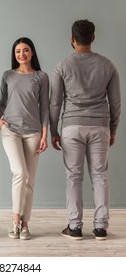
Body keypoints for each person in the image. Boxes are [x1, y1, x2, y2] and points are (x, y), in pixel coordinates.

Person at [49, 19, 121, 240]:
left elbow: (55, 102)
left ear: (72, 39)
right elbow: (116, 102)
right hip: (100, 126)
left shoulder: (62, 66)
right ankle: (100, 228)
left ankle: (75, 227)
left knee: (74, 176)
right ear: (93, 38)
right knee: (100, 175)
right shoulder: (108, 65)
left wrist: (53, 130)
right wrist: (113, 128)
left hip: (72, 126)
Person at [0, 37, 49, 240]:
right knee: (20, 173)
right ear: (14, 54)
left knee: (30, 180)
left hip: (33, 132)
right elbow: (0, 103)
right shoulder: (8, 75)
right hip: (11, 131)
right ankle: (15, 221)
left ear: (32, 52)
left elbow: (44, 108)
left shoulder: (41, 77)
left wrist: (45, 134)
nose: (22, 54)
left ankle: (25, 225)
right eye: (18, 51)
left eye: (25, 50)